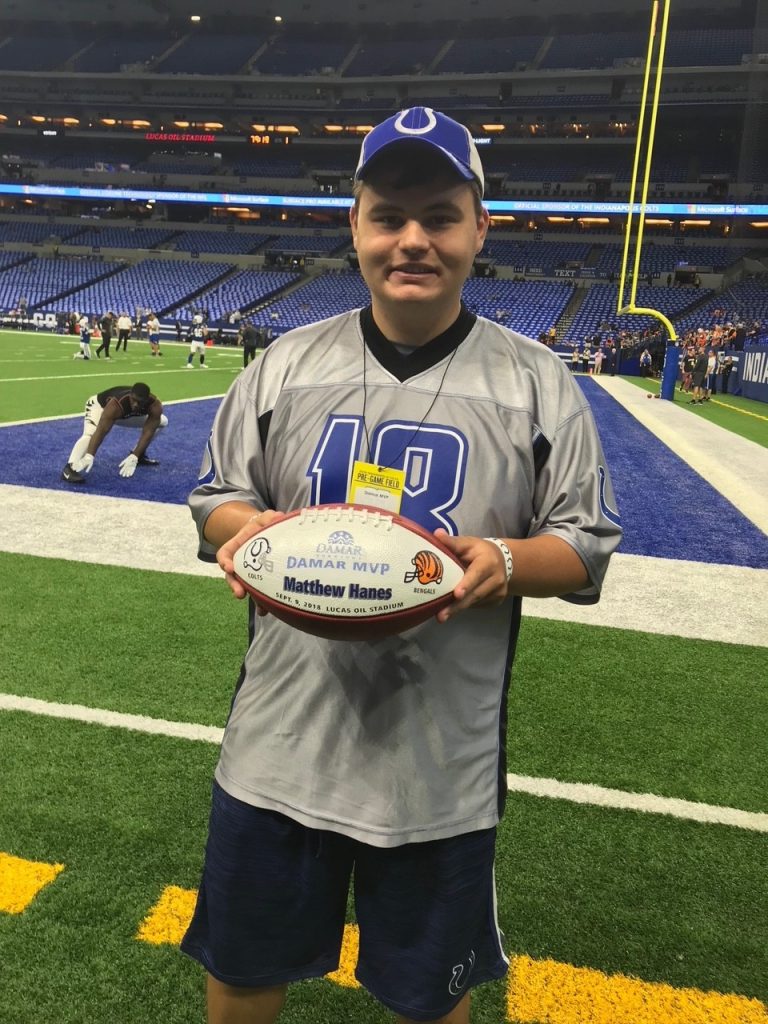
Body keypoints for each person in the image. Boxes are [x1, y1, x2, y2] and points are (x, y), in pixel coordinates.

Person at [181, 106, 622, 1024]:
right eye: (388, 216)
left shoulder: (539, 382)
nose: (412, 240)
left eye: (439, 216)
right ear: (355, 227)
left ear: (479, 228)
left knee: (431, 996)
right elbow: (214, 496)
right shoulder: (284, 366)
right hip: (278, 748)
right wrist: (254, 534)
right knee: (243, 967)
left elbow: (583, 543)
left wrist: (500, 557)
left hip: (437, 769)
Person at [61, 382, 167, 484]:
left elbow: (148, 431)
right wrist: (90, 455)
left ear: (146, 400)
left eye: (140, 402)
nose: (135, 404)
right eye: (133, 400)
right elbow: (101, 431)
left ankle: (139, 456)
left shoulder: (155, 406)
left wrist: (135, 455)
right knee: (90, 434)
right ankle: (70, 467)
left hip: (123, 414)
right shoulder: (116, 404)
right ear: (130, 395)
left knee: (162, 421)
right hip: (100, 408)